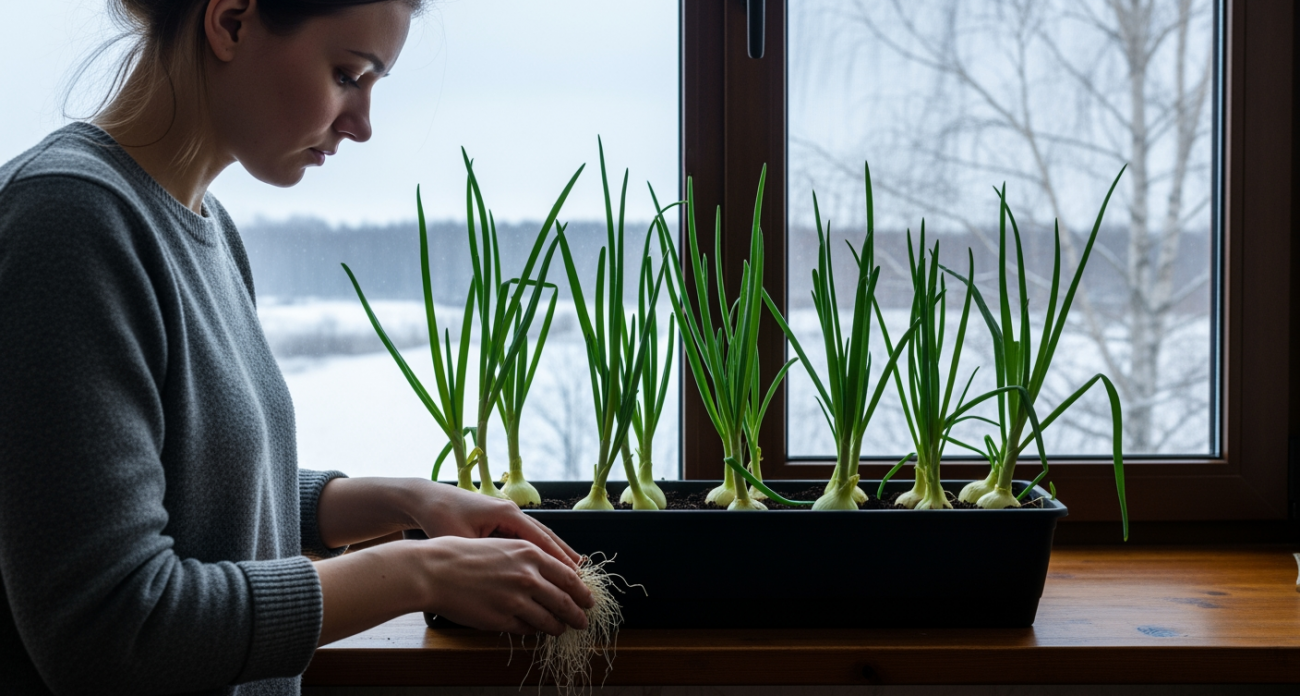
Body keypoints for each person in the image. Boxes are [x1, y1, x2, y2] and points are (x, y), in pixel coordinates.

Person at [0, 1, 595, 694]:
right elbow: (114, 632)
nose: (363, 124)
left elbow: (206, 495)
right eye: (348, 74)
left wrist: (406, 502)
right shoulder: (65, 226)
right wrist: (419, 572)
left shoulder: (205, 228)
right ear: (230, 23)